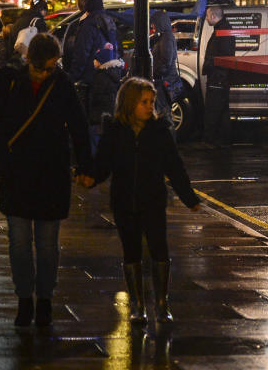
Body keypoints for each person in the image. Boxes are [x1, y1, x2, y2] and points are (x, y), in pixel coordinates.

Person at [0, 33, 91, 327]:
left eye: (51, 68)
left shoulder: (61, 83)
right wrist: (1, 163)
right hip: (16, 174)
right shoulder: (9, 80)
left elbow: (79, 126)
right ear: (28, 60)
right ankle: (24, 299)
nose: (46, 73)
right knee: (18, 243)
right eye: (40, 68)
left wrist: (85, 166)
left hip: (51, 175)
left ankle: (44, 299)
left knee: (47, 244)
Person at [78, 77, 200, 323]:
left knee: (159, 248)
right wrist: (91, 177)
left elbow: (174, 167)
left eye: (151, 102)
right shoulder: (114, 132)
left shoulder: (160, 132)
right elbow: (103, 163)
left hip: (153, 200)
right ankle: (137, 303)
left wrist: (189, 197)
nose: (149, 106)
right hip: (123, 201)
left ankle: (162, 303)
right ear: (129, 102)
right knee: (131, 251)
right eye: (143, 102)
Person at [68, 0, 120, 116]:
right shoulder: (110, 22)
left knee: (92, 118)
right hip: (111, 75)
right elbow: (118, 49)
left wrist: (73, 76)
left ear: (88, 9)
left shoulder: (88, 25)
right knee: (106, 116)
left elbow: (82, 53)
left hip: (92, 78)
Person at [201, 6, 235, 146]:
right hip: (220, 76)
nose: (207, 19)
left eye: (208, 16)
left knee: (213, 109)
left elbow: (223, 55)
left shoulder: (222, 32)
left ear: (214, 16)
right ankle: (224, 141)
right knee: (222, 111)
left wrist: (210, 65)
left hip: (218, 77)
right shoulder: (222, 29)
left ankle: (211, 141)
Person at [88, 43, 125, 151]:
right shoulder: (114, 73)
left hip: (99, 114)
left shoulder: (101, 76)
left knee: (94, 138)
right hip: (110, 112)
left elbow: (96, 96)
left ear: (101, 61)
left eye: (96, 60)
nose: (94, 62)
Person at [149, 10, 181, 127]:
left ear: (159, 22)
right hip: (164, 79)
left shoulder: (166, 38)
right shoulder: (165, 36)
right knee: (163, 112)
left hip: (164, 80)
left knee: (164, 113)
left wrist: (155, 74)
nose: (152, 26)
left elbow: (166, 61)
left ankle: (168, 139)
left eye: (154, 23)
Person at [61, 0, 90, 74]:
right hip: (96, 72)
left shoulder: (74, 25)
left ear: (79, 6)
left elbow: (67, 50)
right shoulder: (102, 21)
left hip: (77, 70)